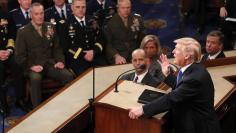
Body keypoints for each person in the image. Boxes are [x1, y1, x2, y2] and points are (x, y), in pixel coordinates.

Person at [128, 37, 221, 133]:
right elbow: (181, 88)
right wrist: (167, 75)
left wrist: (143, 110)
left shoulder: (194, 78)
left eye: (177, 49)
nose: (173, 52)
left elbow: (172, 98)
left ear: (187, 56)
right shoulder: (192, 68)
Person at [15, 2, 74, 108]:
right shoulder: (22, 32)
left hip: (50, 64)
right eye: (36, 14)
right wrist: (32, 66)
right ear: (31, 15)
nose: (40, 16)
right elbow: (19, 56)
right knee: (36, 78)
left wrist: (60, 61)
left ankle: (67, 106)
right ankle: (37, 109)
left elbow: (57, 48)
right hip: (32, 66)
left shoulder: (50, 27)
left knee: (68, 76)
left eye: (41, 13)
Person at [66, 0, 107, 76]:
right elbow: (67, 46)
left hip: (94, 56)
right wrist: (83, 54)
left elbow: (101, 39)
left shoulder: (93, 20)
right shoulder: (66, 23)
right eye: (78, 7)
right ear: (72, 7)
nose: (81, 10)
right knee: (85, 77)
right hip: (77, 59)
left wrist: (94, 51)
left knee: (105, 73)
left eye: (83, 7)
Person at [0, 8, 27, 113]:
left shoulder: (5, 14)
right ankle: (2, 103)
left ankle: (20, 99)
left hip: (7, 51)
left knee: (17, 64)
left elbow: (12, 34)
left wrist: (9, 50)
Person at [104, 0, 146, 65]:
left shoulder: (137, 19)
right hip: (119, 55)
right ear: (118, 8)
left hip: (136, 54)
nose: (126, 10)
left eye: (128, 7)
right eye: (123, 8)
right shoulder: (109, 22)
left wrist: (141, 53)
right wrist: (116, 56)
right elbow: (107, 43)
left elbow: (143, 39)